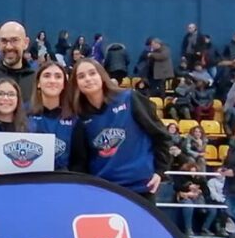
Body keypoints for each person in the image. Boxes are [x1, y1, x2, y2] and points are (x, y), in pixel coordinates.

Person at [70, 59, 171, 201]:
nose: (88, 79)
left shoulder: (130, 98)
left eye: (92, 73)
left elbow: (160, 135)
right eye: (81, 76)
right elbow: (80, 163)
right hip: (104, 192)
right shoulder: (80, 118)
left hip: (140, 189)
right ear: (76, 84)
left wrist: (160, 171)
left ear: (102, 76)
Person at [27, 61, 76, 170]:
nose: (52, 81)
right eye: (47, 76)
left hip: (64, 181)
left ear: (64, 84)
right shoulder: (24, 113)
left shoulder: (75, 116)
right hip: (31, 179)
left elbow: (79, 161)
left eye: (58, 76)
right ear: (38, 83)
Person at [0, 78, 29, 169]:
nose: (5, 98)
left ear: (18, 99)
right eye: (0, 94)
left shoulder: (30, 128)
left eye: (11, 94)